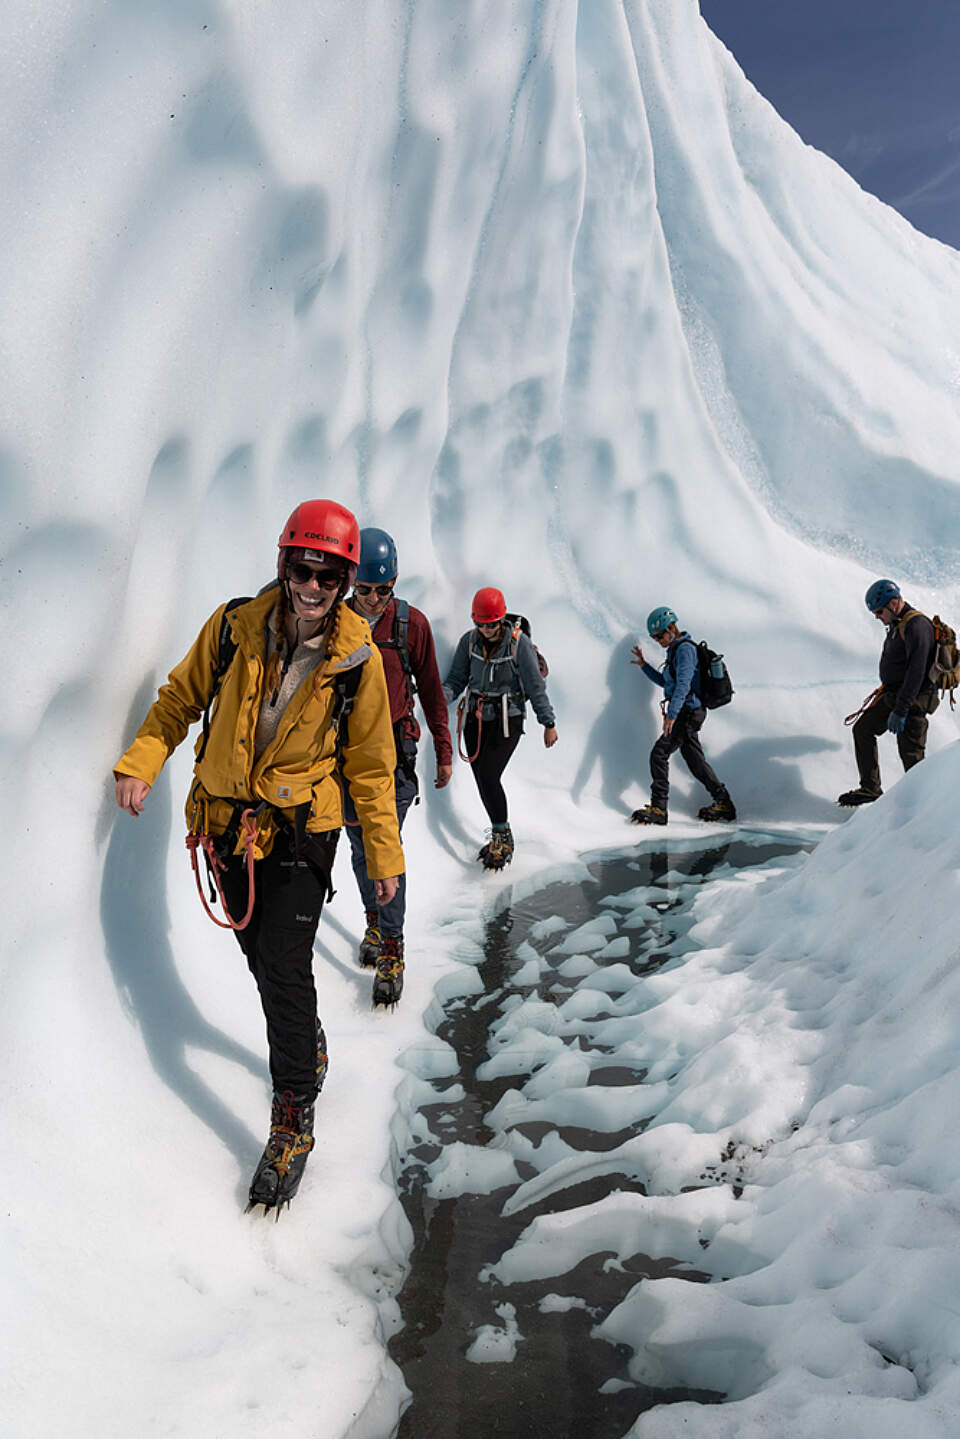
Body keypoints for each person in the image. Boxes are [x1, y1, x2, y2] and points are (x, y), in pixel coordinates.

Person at [113, 499, 403, 1213]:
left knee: (282, 958)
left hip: (304, 829)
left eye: (329, 576)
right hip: (223, 825)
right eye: (304, 569)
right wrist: (144, 760)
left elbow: (370, 765)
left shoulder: (356, 657)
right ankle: (308, 1041)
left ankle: (293, 1114)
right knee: (260, 957)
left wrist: (386, 859)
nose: (314, 586)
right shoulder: (234, 626)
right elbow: (180, 698)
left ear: (344, 581)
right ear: (284, 563)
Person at [344, 526, 453, 982]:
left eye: (382, 590)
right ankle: (374, 920)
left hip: (394, 752)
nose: (372, 600)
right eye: (364, 589)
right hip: (344, 755)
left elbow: (430, 691)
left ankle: (392, 942)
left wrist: (444, 749)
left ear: (395, 582)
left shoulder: (412, 626)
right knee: (357, 845)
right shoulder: (335, 621)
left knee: (382, 845)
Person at [443, 586, 557, 869]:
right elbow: (456, 679)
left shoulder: (519, 645)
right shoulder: (468, 642)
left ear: (501, 618)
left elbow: (535, 685)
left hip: (508, 718)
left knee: (490, 776)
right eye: (480, 623)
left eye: (491, 623)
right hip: (475, 719)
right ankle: (498, 833)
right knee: (482, 778)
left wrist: (548, 722)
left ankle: (503, 837)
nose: (486, 629)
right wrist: (435, 697)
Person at [630, 606, 736, 826]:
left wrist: (672, 715)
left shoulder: (685, 650)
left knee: (659, 754)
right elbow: (668, 682)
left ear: (671, 627)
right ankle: (723, 803)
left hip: (688, 713)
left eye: (659, 635)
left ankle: (659, 809)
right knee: (696, 761)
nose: (658, 640)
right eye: (654, 637)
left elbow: (684, 686)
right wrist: (643, 666)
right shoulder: (675, 650)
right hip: (687, 712)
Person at [838, 579, 939, 806]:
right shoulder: (898, 624)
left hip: (914, 701)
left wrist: (901, 711)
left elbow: (917, 672)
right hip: (894, 696)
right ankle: (870, 788)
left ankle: (923, 806)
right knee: (863, 729)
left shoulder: (917, 626)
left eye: (879, 611)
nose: (876, 616)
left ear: (893, 603)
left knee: (912, 757)